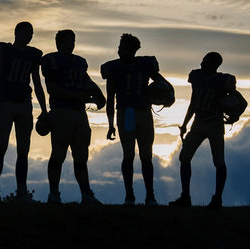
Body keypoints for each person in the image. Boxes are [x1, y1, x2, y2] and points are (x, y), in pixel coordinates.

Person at [101, 33, 171, 206]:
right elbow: (110, 98)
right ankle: (130, 195)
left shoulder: (145, 65)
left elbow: (165, 85)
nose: (119, 51)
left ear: (133, 50)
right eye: (119, 47)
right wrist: (110, 125)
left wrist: (170, 96)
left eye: (123, 48)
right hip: (127, 113)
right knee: (129, 155)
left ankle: (150, 196)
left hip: (143, 111)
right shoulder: (114, 69)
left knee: (146, 156)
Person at [0, 22, 47, 202]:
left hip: (24, 103)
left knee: (23, 150)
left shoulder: (33, 55)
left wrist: (43, 109)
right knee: (2, 146)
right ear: (17, 33)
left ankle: (22, 191)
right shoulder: (4, 51)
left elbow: (37, 83)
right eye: (27, 32)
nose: (30, 35)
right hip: (5, 102)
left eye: (32, 33)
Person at [41, 29, 105, 204]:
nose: (72, 44)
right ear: (59, 43)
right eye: (68, 41)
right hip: (61, 111)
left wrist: (98, 95)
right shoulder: (51, 60)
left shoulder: (79, 62)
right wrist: (76, 96)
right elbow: (52, 89)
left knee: (81, 156)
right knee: (58, 154)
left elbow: (85, 80)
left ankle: (86, 194)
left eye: (73, 40)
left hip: (79, 113)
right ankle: (54, 193)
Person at [169, 52, 237, 209]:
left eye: (205, 61)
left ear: (213, 64)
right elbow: (194, 101)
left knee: (218, 161)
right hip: (198, 123)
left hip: (215, 123)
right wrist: (185, 123)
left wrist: (235, 115)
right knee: (184, 157)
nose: (201, 63)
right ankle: (185, 196)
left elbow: (239, 101)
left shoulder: (222, 80)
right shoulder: (196, 76)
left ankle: (217, 199)